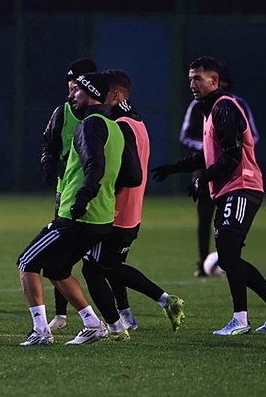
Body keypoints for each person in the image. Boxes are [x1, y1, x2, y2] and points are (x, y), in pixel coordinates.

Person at [152, 56, 266, 335]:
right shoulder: (208, 110)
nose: (192, 84)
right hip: (229, 189)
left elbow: (232, 156)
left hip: (243, 186)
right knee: (229, 258)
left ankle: (240, 319)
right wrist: (176, 168)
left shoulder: (224, 107)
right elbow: (209, 155)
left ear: (214, 81)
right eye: (190, 78)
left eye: (198, 78)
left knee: (228, 253)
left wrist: (202, 178)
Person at [17, 71, 128, 346]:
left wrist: (81, 199)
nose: (71, 95)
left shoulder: (89, 124)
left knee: (26, 262)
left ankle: (41, 331)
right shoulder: (115, 126)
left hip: (76, 217)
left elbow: (95, 166)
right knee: (57, 269)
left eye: (77, 90)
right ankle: (93, 324)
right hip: (100, 218)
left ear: (90, 93)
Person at [79, 70, 185, 338]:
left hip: (116, 212)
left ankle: (117, 327)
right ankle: (136, 313)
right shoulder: (137, 121)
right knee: (111, 268)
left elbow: (130, 174)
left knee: (93, 270)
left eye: (103, 94)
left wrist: (99, 188)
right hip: (131, 212)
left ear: (115, 96)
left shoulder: (121, 126)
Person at [179, 66, 260, 277]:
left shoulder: (235, 104)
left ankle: (232, 260)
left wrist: (227, 151)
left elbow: (252, 135)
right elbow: (185, 135)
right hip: (204, 173)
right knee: (205, 218)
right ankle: (204, 262)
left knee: (231, 226)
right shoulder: (198, 106)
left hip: (233, 175)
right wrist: (210, 151)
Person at [40, 58, 97, 330]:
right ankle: (61, 315)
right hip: (66, 194)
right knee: (58, 256)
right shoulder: (62, 113)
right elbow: (48, 146)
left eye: (78, 80)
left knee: (101, 259)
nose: (72, 86)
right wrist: (49, 165)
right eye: (71, 80)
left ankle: (121, 312)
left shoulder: (103, 117)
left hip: (98, 194)